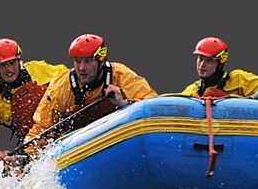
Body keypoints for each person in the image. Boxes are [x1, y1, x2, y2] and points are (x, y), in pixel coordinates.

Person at [24, 34, 158, 142]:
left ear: (101, 62)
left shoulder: (121, 75)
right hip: (75, 144)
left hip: (115, 135)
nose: (82, 68)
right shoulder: (61, 87)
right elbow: (41, 127)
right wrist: (25, 156)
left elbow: (151, 105)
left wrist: (123, 103)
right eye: (77, 61)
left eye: (88, 61)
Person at [0, 38, 68, 164]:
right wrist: (1, 161)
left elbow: (68, 77)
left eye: (12, 62)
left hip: (64, 125)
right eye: (3, 65)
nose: (9, 69)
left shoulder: (37, 69)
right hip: (35, 145)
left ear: (19, 60)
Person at [181, 37, 258, 98]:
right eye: (200, 59)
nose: (202, 65)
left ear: (221, 63)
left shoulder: (240, 80)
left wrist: (229, 99)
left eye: (209, 60)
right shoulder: (191, 92)